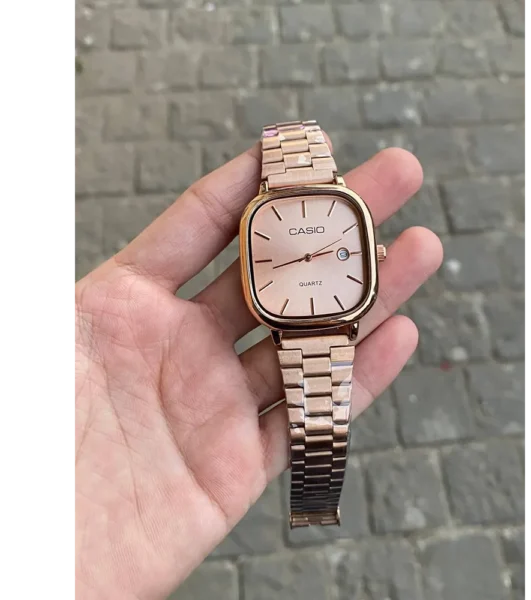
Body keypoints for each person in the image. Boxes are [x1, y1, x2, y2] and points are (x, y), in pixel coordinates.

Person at [73, 143, 443, 599]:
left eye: (313, 254)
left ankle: (315, 504)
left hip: (332, 314)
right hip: (300, 317)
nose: (307, 258)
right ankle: (315, 505)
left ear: (372, 251)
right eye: (302, 255)